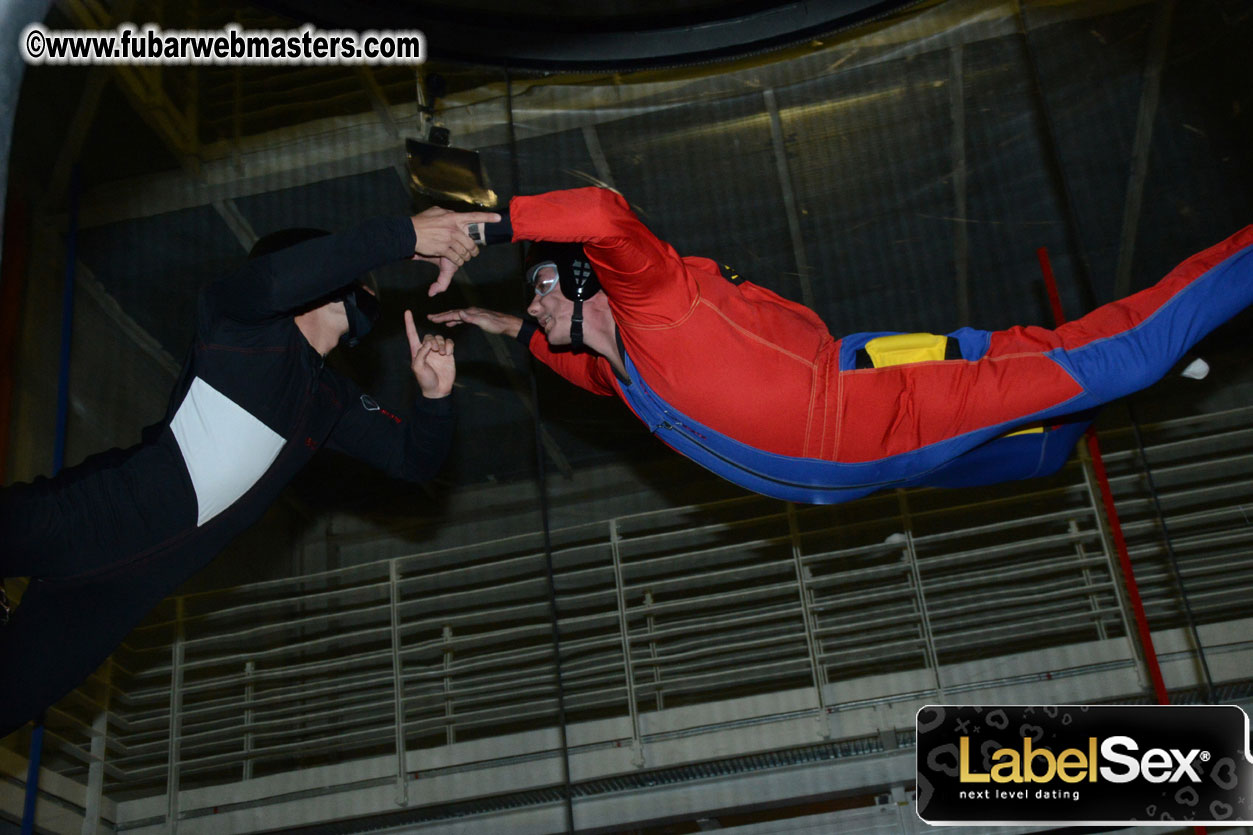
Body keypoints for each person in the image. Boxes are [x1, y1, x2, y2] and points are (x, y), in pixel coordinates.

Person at [0, 205, 499, 737]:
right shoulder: (240, 321)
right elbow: (278, 280)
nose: (368, 286)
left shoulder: (329, 399)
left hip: (117, 598)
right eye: (357, 275)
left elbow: (413, 460)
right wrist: (401, 234)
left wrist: (435, 398)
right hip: (91, 515)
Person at [430, 186, 1253, 503]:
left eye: (542, 285)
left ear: (587, 282)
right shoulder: (625, 377)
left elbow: (603, 214)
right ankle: (1137, 377)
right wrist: (505, 327)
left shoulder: (656, 304)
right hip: (869, 472)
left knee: (1120, 360)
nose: (531, 301)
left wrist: (483, 226)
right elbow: (572, 365)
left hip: (877, 410)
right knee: (1040, 456)